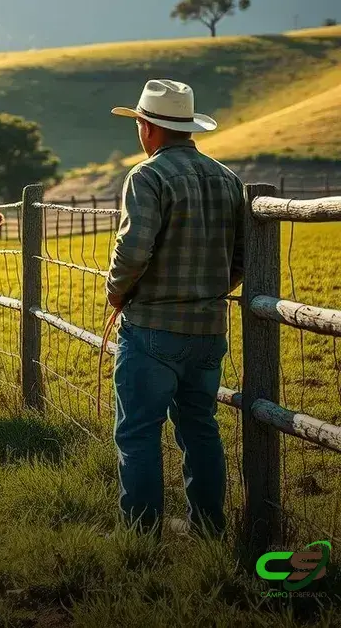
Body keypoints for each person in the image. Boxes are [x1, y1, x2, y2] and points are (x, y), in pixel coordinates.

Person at [106, 79, 244, 538]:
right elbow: (242, 257)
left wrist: (116, 292)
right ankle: (208, 530)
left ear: (147, 127)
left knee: (139, 432)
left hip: (151, 327)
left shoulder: (147, 176)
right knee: (200, 427)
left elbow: (133, 248)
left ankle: (141, 534)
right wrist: (207, 291)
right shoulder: (229, 180)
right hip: (208, 329)